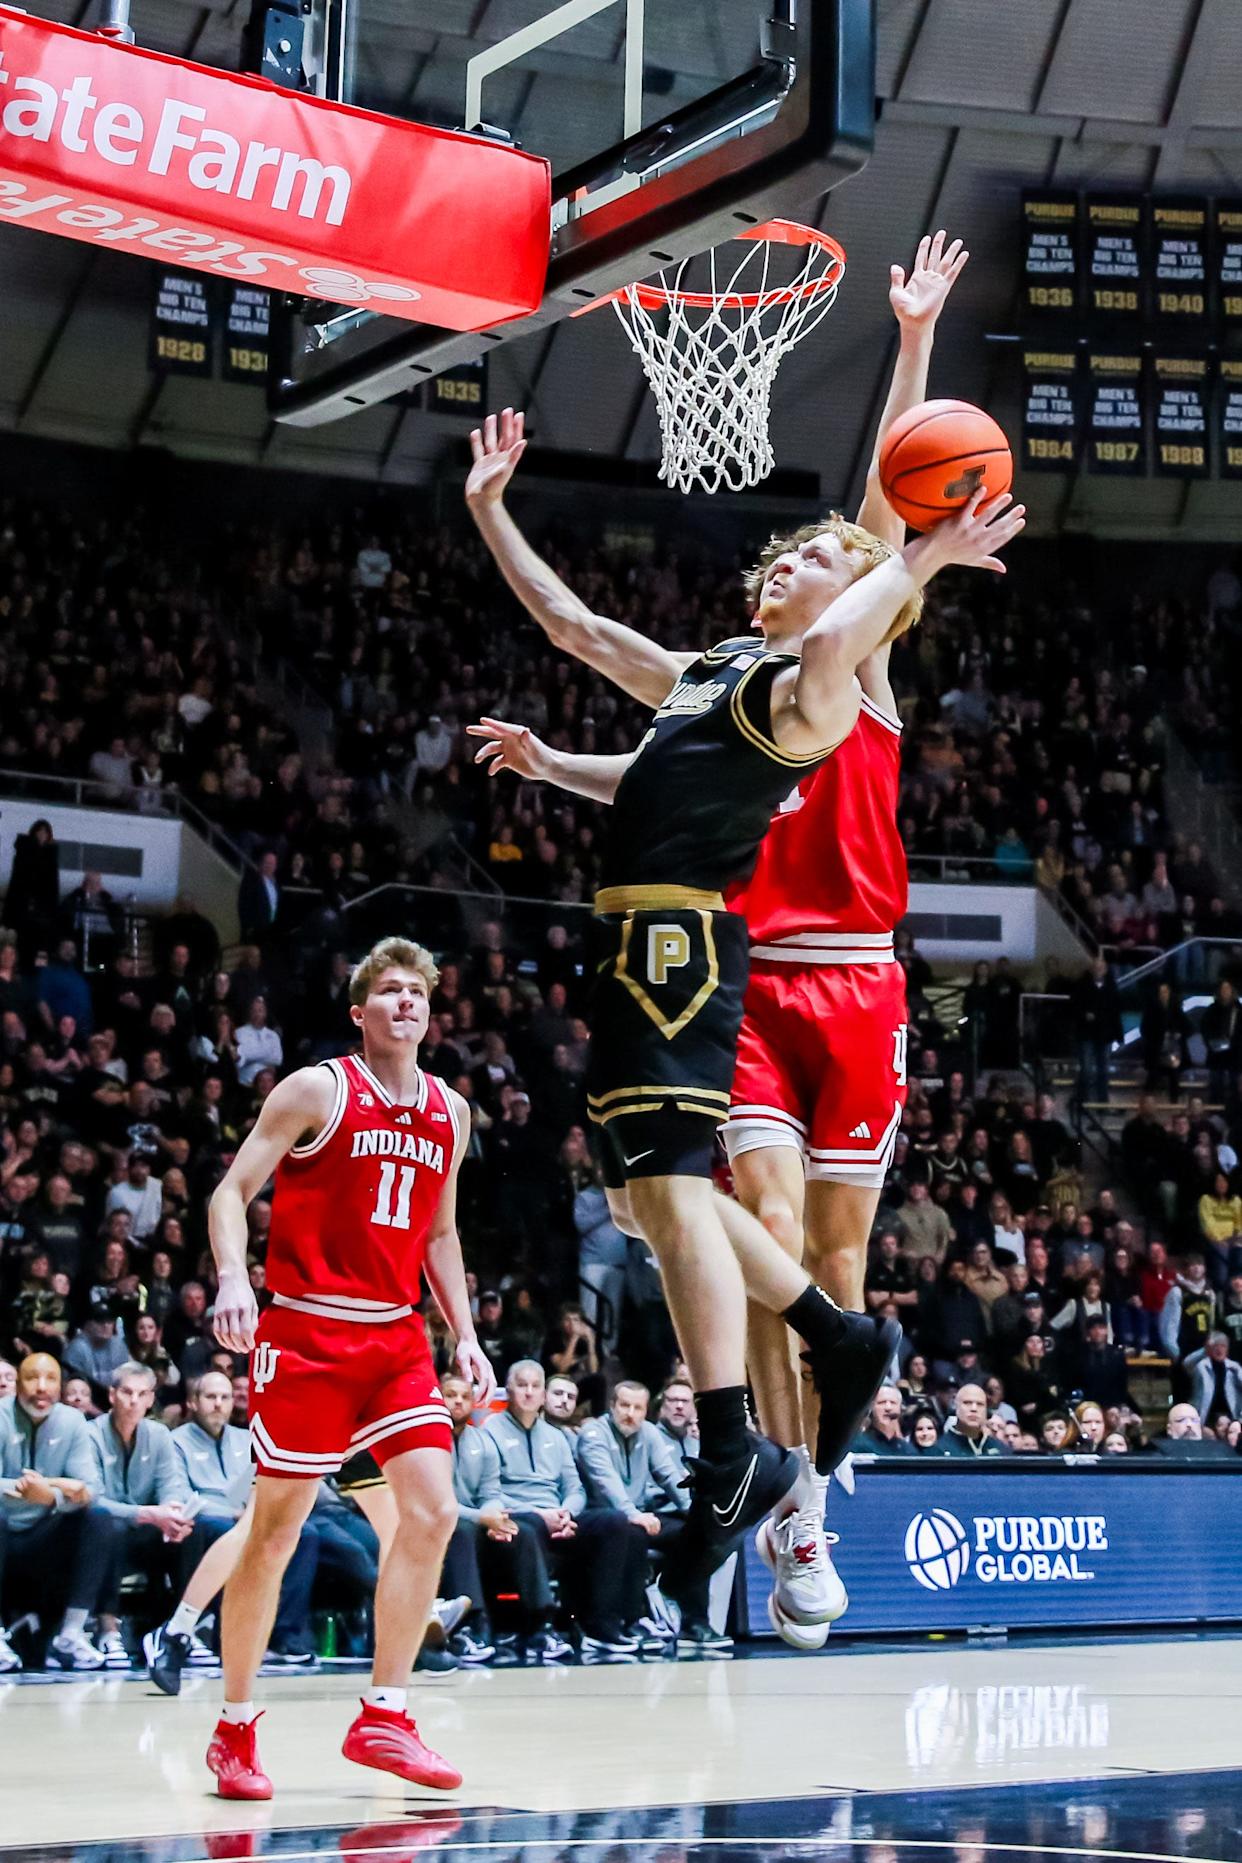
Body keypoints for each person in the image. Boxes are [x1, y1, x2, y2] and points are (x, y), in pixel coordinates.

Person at [464, 267, 1023, 1609]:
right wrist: (552, 762)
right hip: (740, 975)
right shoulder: (714, 674)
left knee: (828, 1256)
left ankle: (798, 1463)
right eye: (776, 555)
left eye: (818, 552)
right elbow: (592, 649)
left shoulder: (855, 658)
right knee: (750, 1212)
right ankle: (794, 1508)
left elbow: (893, 505)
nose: (789, 556)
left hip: (858, 981)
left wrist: (914, 341)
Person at [205, 937, 494, 1800]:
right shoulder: (316, 1089)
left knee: (436, 1511)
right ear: (359, 1012)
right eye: (389, 991)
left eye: (418, 991)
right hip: (305, 1333)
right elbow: (229, 1192)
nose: (406, 1002)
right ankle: (235, 1727)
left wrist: (466, 1334)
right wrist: (231, 1277)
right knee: (277, 1531)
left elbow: (440, 1235)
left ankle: (385, 1713)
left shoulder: (451, 1109)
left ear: (430, 1013)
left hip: (397, 1339)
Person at [143, 1371, 321, 1694]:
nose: (218, 1405)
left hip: (255, 1505)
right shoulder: (177, 1440)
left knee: (301, 1532)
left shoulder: (244, 1438)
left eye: (225, 1398)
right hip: (204, 1520)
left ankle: (281, 1637)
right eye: (211, 1397)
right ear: (193, 1402)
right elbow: (180, 1498)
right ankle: (182, 1629)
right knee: (236, 1528)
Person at [482, 1360, 645, 1658]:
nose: (529, 1393)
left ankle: (603, 1624)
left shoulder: (556, 1437)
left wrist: (566, 1513)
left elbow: (575, 1488)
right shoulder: (489, 1431)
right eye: (522, 1385)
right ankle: (539, 1626)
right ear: (510, 1391)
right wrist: (541, 1514)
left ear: (543, 1394)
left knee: (615, 1521)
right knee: (528, 1526)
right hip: (517, 1516)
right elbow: (490, 1492)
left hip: (557, 1516)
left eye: (535, 1386)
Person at [0, 1353, 114, 1672]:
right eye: (32, 1378)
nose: (41, 1387)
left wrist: (47, 1494)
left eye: (50, 1379)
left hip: (43, 1539)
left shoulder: (72, 1420)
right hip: (5, 1535)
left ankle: (72, 1634)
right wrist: (52, 1490)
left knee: (99, 1517)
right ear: (17, 1384)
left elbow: (90, 1488)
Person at [87, 1361, 196, 1668]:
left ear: (151, 1399)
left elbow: (171, 1486)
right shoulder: (90, 1433)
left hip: (147, 1528)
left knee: (189, 1529)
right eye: (126, 1392)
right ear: (111, 1395)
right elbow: (94, 1500)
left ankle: (183, 1630)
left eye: (141, 1394)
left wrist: (173, 1512)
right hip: (103, 1531)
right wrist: (149, 1513)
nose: (133, 1401)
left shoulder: (160, 1434)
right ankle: (108, 1630)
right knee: (106, 1526)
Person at [574, 1380, 689, 1651]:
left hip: (633, 1517)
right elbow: (605, 1481)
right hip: (595, 1517)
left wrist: (694, 1511)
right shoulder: (593, 1434)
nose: (630, 1413)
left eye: (638, 1408)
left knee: (694, 1530)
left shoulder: (649, 1434)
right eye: (624, 1405)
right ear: (612, 1406)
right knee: (625, 1526)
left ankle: (687, 1619)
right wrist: (631, 1512)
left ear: (647, 1411)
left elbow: (669, 1476)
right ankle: (611, 1623)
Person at [1190, 1333, 1242, 1428]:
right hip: (1206, 1418)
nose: (1219, 1350)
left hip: (1231, 1415)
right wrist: (1204, 1349)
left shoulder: (1234, 1367)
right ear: (1209, 1349)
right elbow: (1187, 1363)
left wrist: (1238, 1372)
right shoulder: (1201, 1366)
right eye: (1216, 1346)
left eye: (1223, 1346)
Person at [938, 1382, 1004, 1457]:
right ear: (955, 1407)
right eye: (967, 1403)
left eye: (980, 1404)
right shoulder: (938, 1450)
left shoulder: (1001, 1449)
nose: (974, 1409)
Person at [851, 1385, 914, 1457]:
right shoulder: (857, 1444)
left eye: (893, 1403)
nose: (888, 1407)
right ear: (872, 1407)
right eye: (882, 1402)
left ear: (900, 1408)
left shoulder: (908, 1450)